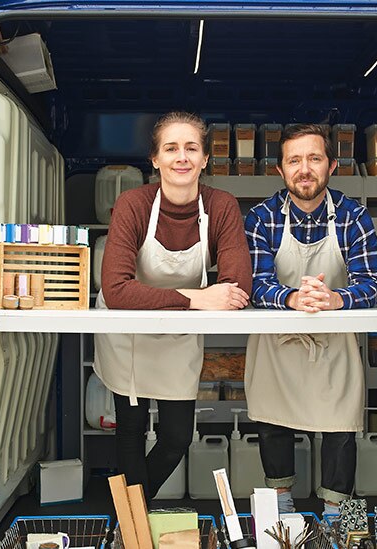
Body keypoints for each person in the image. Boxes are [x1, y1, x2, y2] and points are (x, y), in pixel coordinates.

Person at [95, 111, 252, 498]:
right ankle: (135, 524)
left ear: (205, 158)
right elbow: (117, 291)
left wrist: (201, 299)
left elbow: (236, 286)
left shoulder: (221, 206)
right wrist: (196, 297)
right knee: (131, 429)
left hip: (181, 331)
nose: (182, 157)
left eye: (191, 148)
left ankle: (132, 514)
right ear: (155, 159)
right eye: (171, 148)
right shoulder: (132, 204)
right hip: (128, 331)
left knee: (177, 437)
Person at [244, 123, 377, 515]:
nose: (304, 169)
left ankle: (337, 516)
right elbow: (254, 284)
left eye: (314, 159)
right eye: (294, 160)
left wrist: (335, 298)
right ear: (280, 169)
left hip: (334, 341)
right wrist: (293, 298)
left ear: (332, 165)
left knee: (340, 430)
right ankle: (281, 510)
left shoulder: (354, 217)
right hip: (277, 344)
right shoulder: (261, 218)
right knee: (273, 424)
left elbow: (372, 284)